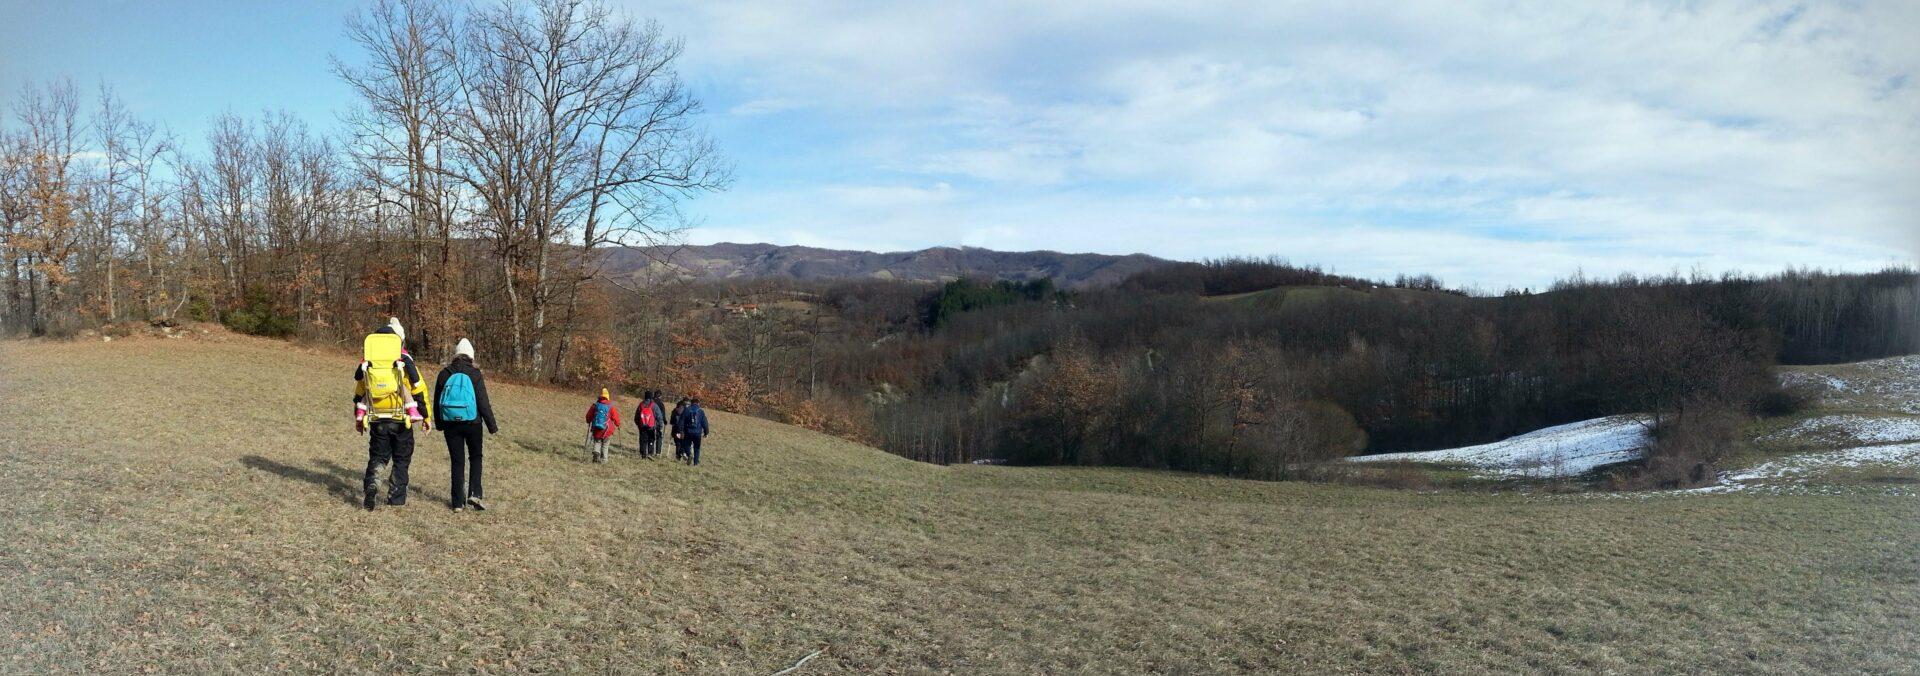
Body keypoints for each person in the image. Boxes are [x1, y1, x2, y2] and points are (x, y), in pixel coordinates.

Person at [353, 320, 432, 510]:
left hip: (377, 417)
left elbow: (360, 392)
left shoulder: (369, 362)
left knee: (378, 456)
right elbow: (419, 389)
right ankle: (396, 498)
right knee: (401, 459)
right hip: (401, 418)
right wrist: (426, 416)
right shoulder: (404, 361)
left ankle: (373, 483)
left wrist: (358, 417)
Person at [434, 338, 498, 511]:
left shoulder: (444, 373)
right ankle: (475, 494)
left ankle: (457, 503)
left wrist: (439, 423)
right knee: (475, 457)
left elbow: (437, 401)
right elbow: (483, 401)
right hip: (473, 423)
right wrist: (491, 425)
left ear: (455, 354)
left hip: (450, 423)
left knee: (457, 461)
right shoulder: (475, 374)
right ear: (471, 356)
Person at [584, 388, 622, 463]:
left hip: (596, 428)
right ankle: (604, 460)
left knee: (597, 441)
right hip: (607, 429)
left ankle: (596, 452)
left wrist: (588, 421)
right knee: (605, 444)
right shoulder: (611, 407)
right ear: (607, 397)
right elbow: (615, 417)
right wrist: (618, 424)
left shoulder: (595, 405)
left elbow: (588, 416)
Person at [679, 396, 711, 466]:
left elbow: (681, 420)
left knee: (686, 445)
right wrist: (706, 432)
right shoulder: (701, 411)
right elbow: (705, 423)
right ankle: (695, 463)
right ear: (698, 403)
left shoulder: (687, 410)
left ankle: (689, 454)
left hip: (688, 432)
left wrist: (680, 430)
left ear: (691, 403)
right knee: (697, 448)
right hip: (697, 433)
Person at [634, 390, 664, 459]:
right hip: (651, 427)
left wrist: (638, 424)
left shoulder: (641, 405)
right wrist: (660, 426)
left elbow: (636, 416)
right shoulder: (654, 405)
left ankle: (643, 454)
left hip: (642, 426)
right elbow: (659, 416)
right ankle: (650, 453)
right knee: (651, 440)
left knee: (643, 440)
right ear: (651, 397)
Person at [669, 398, 690, 462]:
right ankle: (682, 453)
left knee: (678, 443)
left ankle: (678, 456)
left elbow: (671, 422)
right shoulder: (687, 411)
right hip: (683, 430)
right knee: (683, 442)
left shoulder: (675, 410)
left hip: (675, 430)